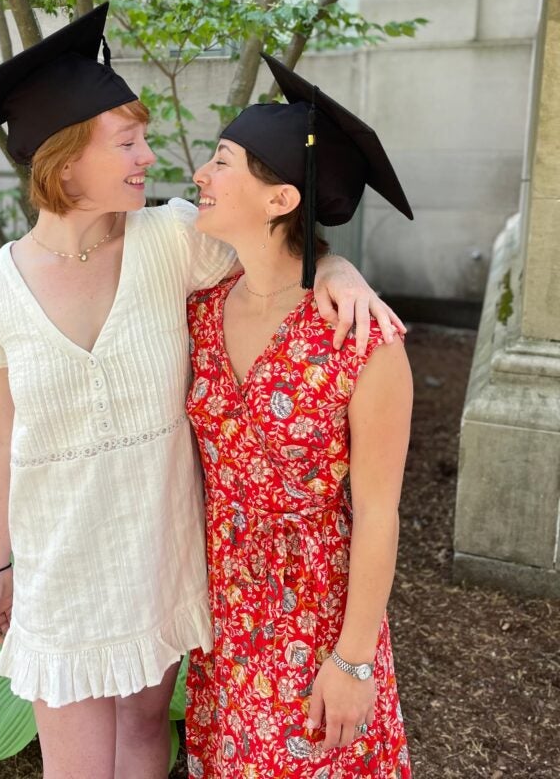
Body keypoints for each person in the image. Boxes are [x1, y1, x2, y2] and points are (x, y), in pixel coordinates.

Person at [0, 5, 407, 779]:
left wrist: (338, 269)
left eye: (146, 139)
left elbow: (280, 242)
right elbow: (2, 436)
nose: (156, 157)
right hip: (71, 566)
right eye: (128, 142)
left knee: (149, 741)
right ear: (66, 164)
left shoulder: (169, 242)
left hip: (169, 559)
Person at [184, 54, 414, 778]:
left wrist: (352, 661)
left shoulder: (363, 341)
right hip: (221, 611)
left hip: (316, 619)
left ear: (281, 198)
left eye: (222, 163)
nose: (200, 175)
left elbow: (379, 514)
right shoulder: (198, 311)